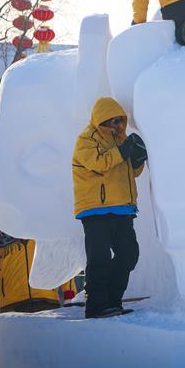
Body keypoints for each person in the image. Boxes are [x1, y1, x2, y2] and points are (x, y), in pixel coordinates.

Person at [72, 97, 147, 319]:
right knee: (99, 258)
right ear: (100, 120)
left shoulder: (120, 141)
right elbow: (98, 162)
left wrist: (137, 160)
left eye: (120, 121)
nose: (117, 126)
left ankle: (112, 302)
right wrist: (124, 151)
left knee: (129, 254)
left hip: (123, 209)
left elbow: (130, 173)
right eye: (112, 121)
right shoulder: (86, 140)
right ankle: (96, 305)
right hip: (96, 210)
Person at [0, 233, 77, 313]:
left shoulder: (46, 237)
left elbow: (63, 264)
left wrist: (69, 293)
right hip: (12, 306)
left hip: (47, 303)